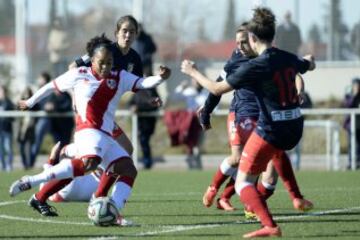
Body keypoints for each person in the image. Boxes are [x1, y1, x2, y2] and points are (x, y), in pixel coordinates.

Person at [182, 7, 315, 238]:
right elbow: (307, 64)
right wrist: (309, 62)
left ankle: (269, 224)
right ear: (273, 36)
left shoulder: (255, 66)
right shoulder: (286, 57)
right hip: (294, 127)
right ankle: (295, 197)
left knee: (244, 182)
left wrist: (192, 72)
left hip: (271, 128)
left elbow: (216, 88)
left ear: (253, 39)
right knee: (274, 160)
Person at [9, 34, 171, 225]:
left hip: (106, 134)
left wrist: (161, 78)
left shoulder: (120, 76)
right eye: (101, 62)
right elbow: (51, 87)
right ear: (92, 60)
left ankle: (113, 212)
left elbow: (143, 83)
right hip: (87, 130)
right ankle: (33, 180)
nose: (105, 66)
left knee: (128, 169)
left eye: (109, 62)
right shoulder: (79, 74)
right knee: (90, 163)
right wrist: (30, 101)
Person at [129, 24, 159, 169]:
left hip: (148, 117)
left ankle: (147, 162)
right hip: (140, 117)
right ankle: (145, 162)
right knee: (140, 140)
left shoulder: (151, 88)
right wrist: (132, 106)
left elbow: (153, 101)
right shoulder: (137, 86)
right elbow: (132, 100)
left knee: (144, 139)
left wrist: (139, 106)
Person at [170, 78, 208, 169]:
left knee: (198, 146)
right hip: (190, 122)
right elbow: (174, 97)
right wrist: (181, 87)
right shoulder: (189, 92)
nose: (197, 83)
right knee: (189, 144)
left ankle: (198, 166)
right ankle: (191, 165)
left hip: (201, 121)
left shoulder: (207, 93)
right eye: (195, 81)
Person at [17, 87, 38, 169]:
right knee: (21, 148)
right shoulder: (20, 102)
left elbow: (37, 109)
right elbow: (17, 109)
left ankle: (29, 165)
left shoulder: (34, 103)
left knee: (29, 147)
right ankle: (25, 165)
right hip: (21, 129)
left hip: (29, 129)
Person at [343, 77, 360, 169]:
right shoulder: (348, 95)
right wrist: (354, 95)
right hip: (351, 125)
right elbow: (348, 105)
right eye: (355, 85)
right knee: (351, 144)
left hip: (359, 124)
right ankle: (350, 162)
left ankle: (358, 162)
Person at [0, 85, 15, 171]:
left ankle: (9, 165)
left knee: (8, 148)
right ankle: (2, 165)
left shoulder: (9, 103)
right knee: (0, 149)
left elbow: (13, 117)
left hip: (7, 130)